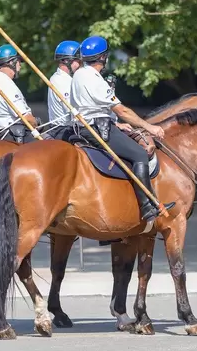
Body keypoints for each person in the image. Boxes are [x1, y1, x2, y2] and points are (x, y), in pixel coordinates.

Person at [70, 35, 175, 223]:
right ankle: (148, 206)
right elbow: (122, 110)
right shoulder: (95, 79)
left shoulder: (78, 73)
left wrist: (117, 124)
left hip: (83, 127)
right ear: (102, 57)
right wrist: (148, 126)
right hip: (98, 128)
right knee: (140, 154)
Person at [0, 44, 39, 143]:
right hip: (12, 136)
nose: (20, 65)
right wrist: (36, 122)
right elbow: (26, 119)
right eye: (18, 61)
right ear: (11, 62)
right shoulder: (6, 84)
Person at [46, 40, 81, 140]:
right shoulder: (61, 80)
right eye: (78, 61)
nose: (80, 64)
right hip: (64, 132)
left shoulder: (65, 79)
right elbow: (74, 110)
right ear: (67, 61)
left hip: (68, 129)